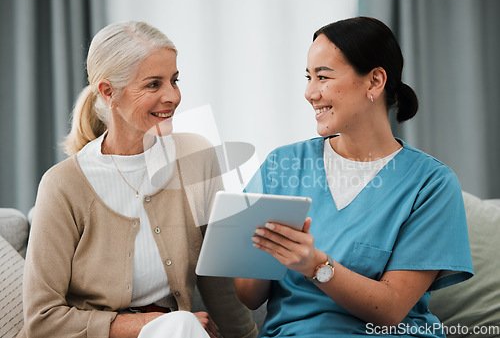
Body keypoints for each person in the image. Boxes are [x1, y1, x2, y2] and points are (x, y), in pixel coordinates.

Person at [235, 17, 473, 337]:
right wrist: (255, 248)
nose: (309, 92)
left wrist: (315, 265)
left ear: (374, 81)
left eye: (323, 76)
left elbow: (390, 309)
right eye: (308, 77)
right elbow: (249, 297)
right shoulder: (283, 164)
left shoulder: (431, 184)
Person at [19, 21, 257, 338]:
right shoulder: (62, 184)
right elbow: (42, 320)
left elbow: (219, 282)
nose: (172, 96)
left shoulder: (195, 155)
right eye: (153, 85)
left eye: (174, 80)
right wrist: (151, 324)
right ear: (108, 92)